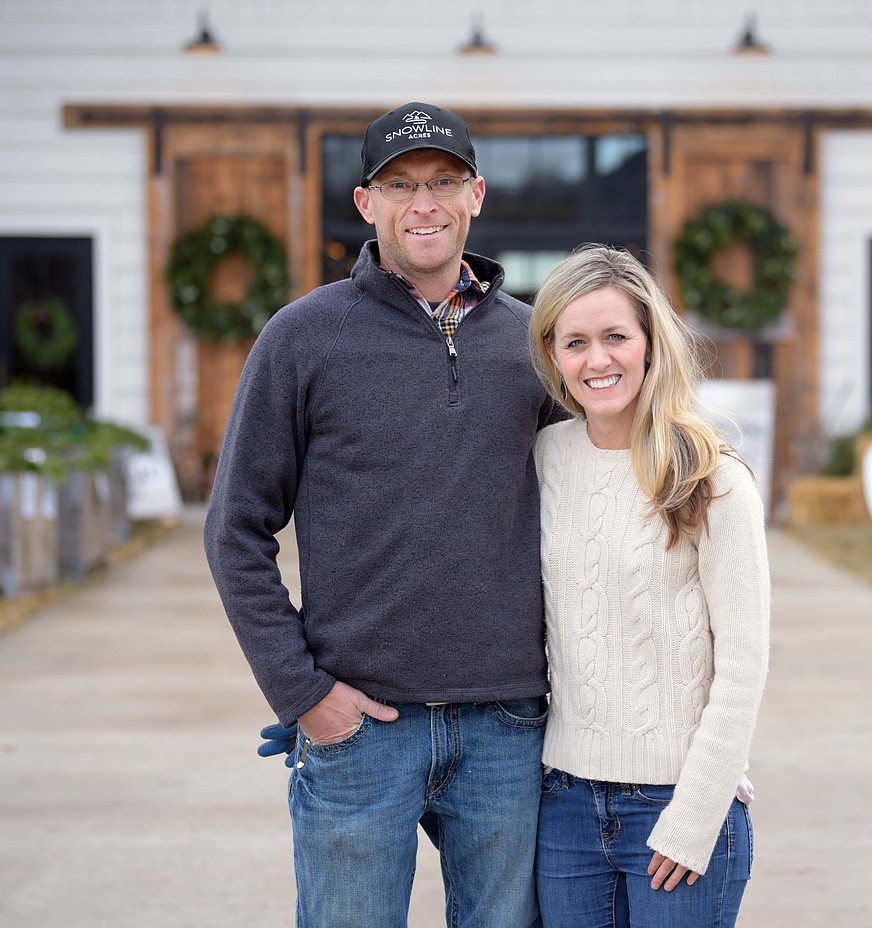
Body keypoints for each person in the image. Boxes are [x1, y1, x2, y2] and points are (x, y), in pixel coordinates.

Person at [203, 102, 559, 928]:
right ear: (366, 203)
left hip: (509, 723)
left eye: (441, 181)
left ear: (477, 193)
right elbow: (235, 530)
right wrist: (303, 694)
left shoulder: (535, 342)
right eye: (399, 185)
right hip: (361, 725)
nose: (422, 203)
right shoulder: (303, 337)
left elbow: (597, 508)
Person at [526, 245, 770, 928]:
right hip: (564, 808)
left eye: (615, 337)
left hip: (677, 805)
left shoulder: (712, 478)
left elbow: (743, 665)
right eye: (575, 342)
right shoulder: (546, 458)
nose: (597, 360)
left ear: (650, 343)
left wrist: (699, 808)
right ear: (553, 356)